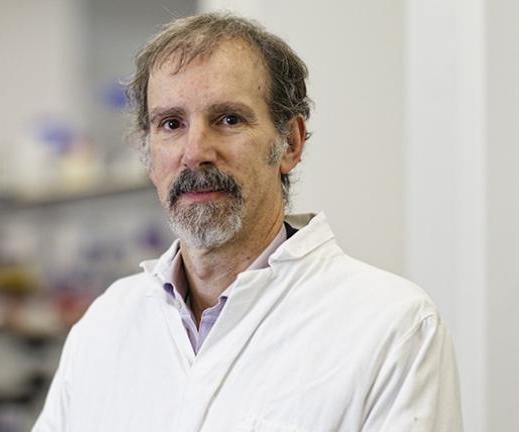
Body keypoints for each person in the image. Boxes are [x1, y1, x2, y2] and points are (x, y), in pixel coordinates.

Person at [33, 12, 462, 432]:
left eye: (228, 119)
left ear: (289, 144)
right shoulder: (105, 324)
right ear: (148, 155)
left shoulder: (394, 327)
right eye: (171, 124)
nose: (195, 150)